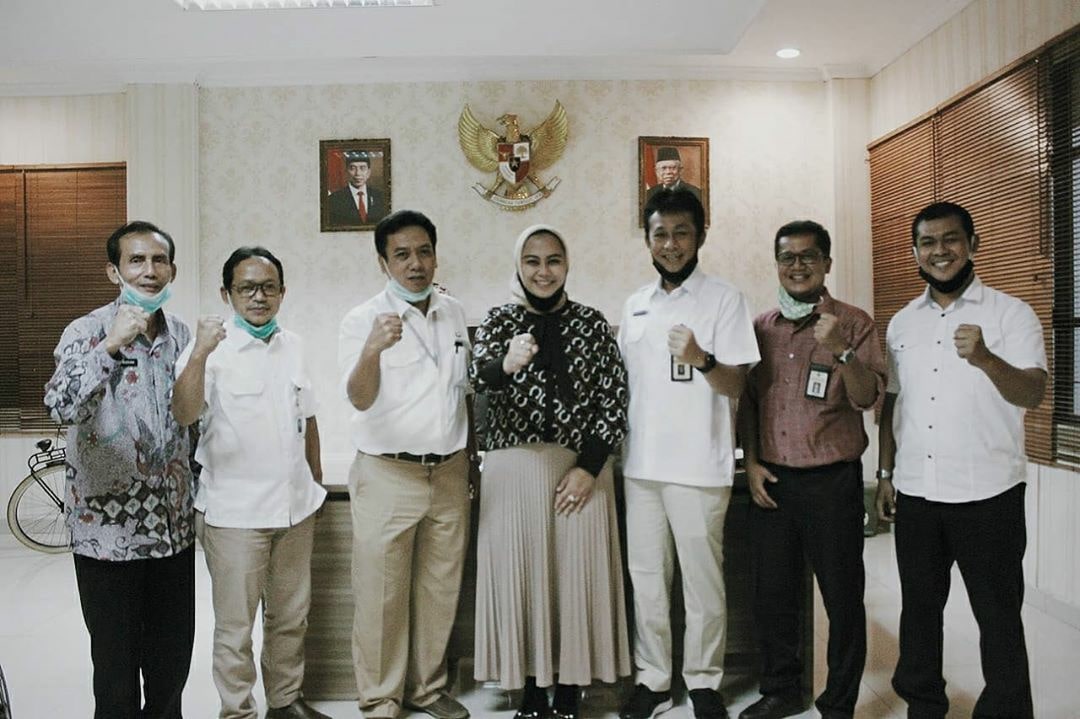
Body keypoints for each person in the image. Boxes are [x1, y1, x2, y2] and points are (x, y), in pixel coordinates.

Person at [876, 202, 1046, 719]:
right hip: (918, 493)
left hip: (988, 495)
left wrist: (986, 358)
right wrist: (885, 473)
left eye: (950, 239)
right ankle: (924, 706)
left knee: (998, 619)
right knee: (919, 615)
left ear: (973, 244)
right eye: (927, 242)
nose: (940, 251)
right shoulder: (902, 323)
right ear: (915, 253)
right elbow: (894, 404)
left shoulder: (1011, 313)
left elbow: (1033, 393)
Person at [472, 225, 632, 719]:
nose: (543, 271)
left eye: (553, 260)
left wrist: (588, 469)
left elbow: (614, 402)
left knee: (574, 582)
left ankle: (568, 690)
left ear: (567, 265)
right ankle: (528, 691)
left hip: (580, 472)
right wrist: (506, 364)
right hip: (513, 472)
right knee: (521, 581)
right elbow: (477, 378)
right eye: (532, 261)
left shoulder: (592, 323)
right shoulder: (499, 321)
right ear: (518, 266)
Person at [43, 220, 195, 719]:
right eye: (137, 260)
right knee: (115, 670)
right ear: (114, 272)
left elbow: (192, 420)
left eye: (159, 260)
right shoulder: (85, 331)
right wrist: (109, 346)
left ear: (172, 270)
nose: (149, 271)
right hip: (107, 536)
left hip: (171, 533)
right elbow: (60, 406)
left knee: (171, 667)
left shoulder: (181, 335)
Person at [618, 189, 760, 719]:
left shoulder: (724, 299)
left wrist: (702, 358)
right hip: (641, 466)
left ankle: (703, 682)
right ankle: (653, 680)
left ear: (700, 236)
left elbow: (737, 385)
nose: (671, 244)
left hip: (700, 465)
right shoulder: (635, 303)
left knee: (703, 585)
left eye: (681, 233)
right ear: (647, 239)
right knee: (647, 581)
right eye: (660, 234)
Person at [172, 247, 330, 719]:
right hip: (234, 515)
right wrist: (199, 353)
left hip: (295, 510)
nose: (259, 297)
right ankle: (238, 711)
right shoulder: (208, 351)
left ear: (282, 292)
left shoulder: (294, 345)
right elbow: (184, 413)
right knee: (235, 628)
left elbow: (308, 418)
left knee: (290, 618)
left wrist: (315, 482)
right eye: (247, 288)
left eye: (268, 288)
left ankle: (285, 701)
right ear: (227, 294)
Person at [736, 221, 885, 719]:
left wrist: (841, 349)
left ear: (826, 264)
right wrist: (751, 462)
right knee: (773, 596)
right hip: (773, 481)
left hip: (832, 481)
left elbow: (867, 397)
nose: (797, 266)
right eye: (788, 257)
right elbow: (748, 402)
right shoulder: (760, 327)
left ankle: (838, 702)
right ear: (777, 264)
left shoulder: (855, 323)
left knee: (842, 597)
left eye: (808, 256)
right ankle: (781, 690)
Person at [337, 210, 472, 719]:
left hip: (450, 471)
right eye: (402, 255)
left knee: (440, 588)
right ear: (383, 263)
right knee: (382, 595)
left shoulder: (454, 313)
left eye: (424, 252)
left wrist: (470, 463)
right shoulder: (362, 320)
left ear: (435, 255)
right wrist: (372, 350)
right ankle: (380, 698)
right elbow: (358, 397)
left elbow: (463, 391)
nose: (415, 264)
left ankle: (427, 689)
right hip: (388, 473)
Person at [327, 151, 387, 226]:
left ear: (369, 173)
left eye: (362, 168)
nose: (358, 173)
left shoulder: (381, 197)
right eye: (352, 168)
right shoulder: (334, 200)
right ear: (346, 172)